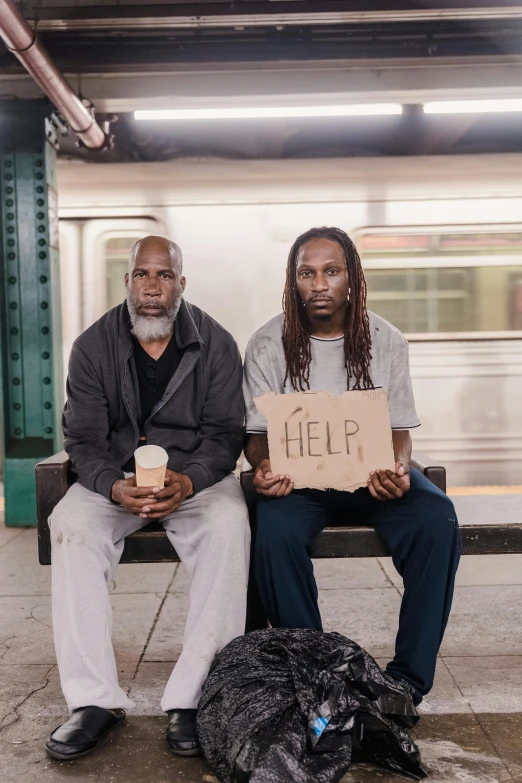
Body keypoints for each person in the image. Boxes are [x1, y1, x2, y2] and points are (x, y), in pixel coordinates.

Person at [45, 236, 249, 761]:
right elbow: (84, 440)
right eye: (141, 275)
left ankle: (193, 699)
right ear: (129, 281)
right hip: (116, 480)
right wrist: (113, 484)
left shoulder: (217, 343)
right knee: (71, 525)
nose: (151, 288)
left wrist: (192, 479)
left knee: (229, 525)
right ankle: (93, 702)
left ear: (182, 283)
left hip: (191, 481)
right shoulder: (93, 346)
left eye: (163, 276)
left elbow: (226, 434)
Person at [243, 226, 460, 707]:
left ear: (351, 278)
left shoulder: (386, 339)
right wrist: (264, 467)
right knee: (273, 531)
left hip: (370, 479)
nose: (319, 284)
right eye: (307, 273)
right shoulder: (266, 343)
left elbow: (400, 430)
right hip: (300, 485)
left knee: (437, 518)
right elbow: (256, 438)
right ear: (293, 281)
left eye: (331, 271)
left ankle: (405, 684)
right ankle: (321, 681)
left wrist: (399, 466)